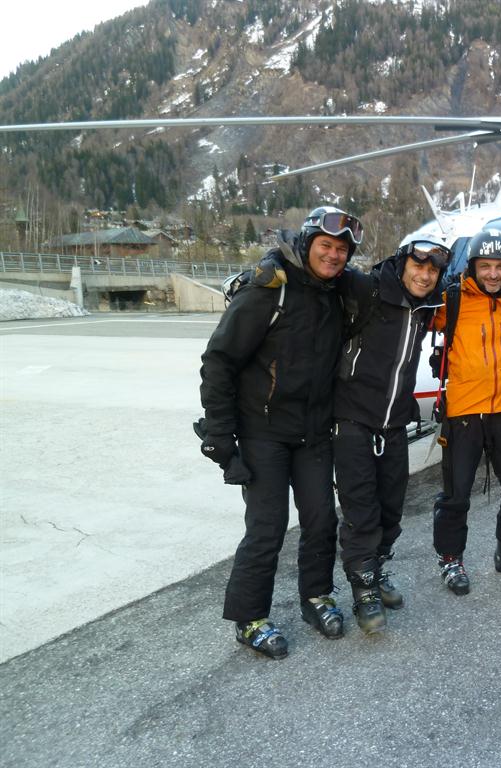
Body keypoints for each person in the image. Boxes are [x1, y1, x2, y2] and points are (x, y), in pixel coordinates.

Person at [198, 205, 360, 659]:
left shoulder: (336, 295)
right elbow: (219, 361)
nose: (332, 255)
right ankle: (249, 618)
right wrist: (219, 434)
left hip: (312, 432)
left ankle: (316, 596)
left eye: (341, 250)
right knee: (267, 527)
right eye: (326, 246)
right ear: (308, 244)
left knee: (321, 520)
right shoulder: (270, 291)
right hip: (261, 432)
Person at [333, 240, 449, 633]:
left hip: (394, 422)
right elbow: (322, 276)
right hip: (352, 419)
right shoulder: (367, 290)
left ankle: (377, 569)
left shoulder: (425, 307)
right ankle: (363, 589)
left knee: (390, 509)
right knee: (360, 511)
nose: (425, 275)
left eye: (432, 271)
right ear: (401, 265)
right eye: (418, 266)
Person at [432, 229, 501, 595]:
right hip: (463, 412)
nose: (493, 274)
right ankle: (451, 558)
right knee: (456, 494)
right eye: (485, 266)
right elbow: (412, 303)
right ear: (473, 267)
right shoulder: (454, 299)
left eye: (500, 267)